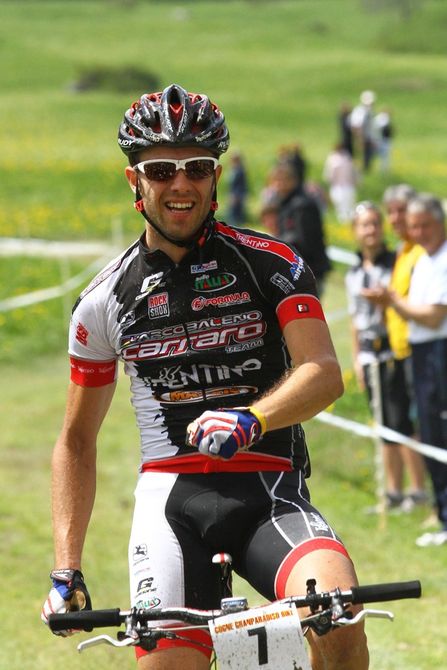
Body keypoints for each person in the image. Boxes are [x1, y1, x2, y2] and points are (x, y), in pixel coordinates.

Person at [41, 84, 368, 670]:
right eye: (160, 170)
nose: (180, 184)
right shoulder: (102, 301)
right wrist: (67, 568)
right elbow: (76, 441)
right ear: (134, 181)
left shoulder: (272, 264)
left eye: (196, 167)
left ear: (216, 177)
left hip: (270, 492)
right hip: (171, 502)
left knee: (338, 614)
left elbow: (322, 372)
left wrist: (253, 418)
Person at [373, 194, 447, 546]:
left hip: (438, 350)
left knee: (440, 430)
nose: (418, 232)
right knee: (430, 431)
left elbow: (433, 316)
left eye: (424, 225)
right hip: (421, 351)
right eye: (414, 226)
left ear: (440, 223)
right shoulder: (423, 259)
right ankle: (443, 515)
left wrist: (393, 301)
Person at [345, 201, 417, 512]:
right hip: (369, 353)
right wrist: (356, 358)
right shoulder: (353, 272)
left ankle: (417, 490)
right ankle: (393, 491)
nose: (371, 230)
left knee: (402, 421)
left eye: (376, 223)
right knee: (383, 422)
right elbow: (354, 320)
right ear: (355, 231)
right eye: (365, 225)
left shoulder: (395, 262)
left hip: (394, 349)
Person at [269, 162, 331, 296]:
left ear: (292, 181)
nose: (276, 185)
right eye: (275, 181)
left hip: (308, 271)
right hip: (298, 270)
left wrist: (274, 246)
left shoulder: (302, 205)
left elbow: (304, 240)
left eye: (280, 180)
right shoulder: (287, 203)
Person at [323, 142, 358, 223]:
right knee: (349, 208)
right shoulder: (348, 158)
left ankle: (346, 224)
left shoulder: (333, 159)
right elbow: (355, 173)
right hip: (349, 187)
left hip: (338, 187)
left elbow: (329, 175)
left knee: (341, 209)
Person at [349, 90, 376, 172]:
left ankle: (365, 170)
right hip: (361, 138)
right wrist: (359, 139)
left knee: (368, 157)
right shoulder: (359, 111)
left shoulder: (370, 111)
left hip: (368, 138)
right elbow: (356, 126)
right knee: (360, 157)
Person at [226, 151, 248, 226]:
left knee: (236, 213)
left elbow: (240, 185)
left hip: (237, 194)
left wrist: (236, 195)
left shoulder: (240, 171)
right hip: (233, 193)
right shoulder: (233, 169)